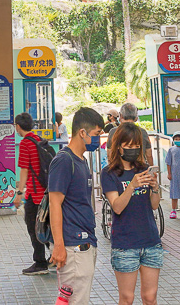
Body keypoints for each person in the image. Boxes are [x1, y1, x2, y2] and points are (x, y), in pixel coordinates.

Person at [101, 123, 163, 305]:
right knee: (127, 298)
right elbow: (117, 207)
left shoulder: (143, 168)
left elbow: (153, 205)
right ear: (118, 146)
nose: (133, 150)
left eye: (137, 146)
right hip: (125, 244)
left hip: (151, 241)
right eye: (128, 146)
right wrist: (132, 186)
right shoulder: (109, 173)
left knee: (150, 297)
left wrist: (155, 187)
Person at [49, 107, 104, 304]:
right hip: (73, 247)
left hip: (85, 243)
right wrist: (59, 246)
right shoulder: (64, 161)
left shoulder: (82, 160)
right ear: (83, 132)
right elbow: (55, 203)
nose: (99, 139)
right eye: (97, 134)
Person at [12, 112, 48, 275]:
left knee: (33, 227)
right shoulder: (39, 140)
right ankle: (55, 257)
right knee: (48, 225)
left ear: (18, 127)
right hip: (47, 192)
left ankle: (40, 263)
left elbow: (24, 170)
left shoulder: (26, 143)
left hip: (34, 194)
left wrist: (19, 193)